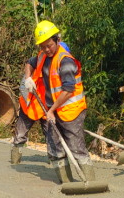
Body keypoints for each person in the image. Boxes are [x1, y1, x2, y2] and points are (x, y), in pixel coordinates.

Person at [10, 20, 94, 183]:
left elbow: (69, 90)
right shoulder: (42, 55)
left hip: (70, 111)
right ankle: (65, 182)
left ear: (57, 40)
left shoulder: (65, 61)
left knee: (76, 148)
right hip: (50, 110)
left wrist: (51, 110)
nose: (47, 49)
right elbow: (30, 62)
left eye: (49, 45)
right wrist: (28, 78)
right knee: (55, 148)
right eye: (43, 46)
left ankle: (90, 182)